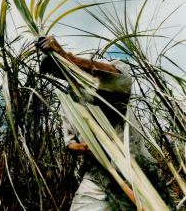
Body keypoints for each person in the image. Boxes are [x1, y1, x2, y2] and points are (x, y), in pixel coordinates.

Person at [36, 36, 173, 210]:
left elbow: (121, 79)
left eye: (56, 66)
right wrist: (83, 147)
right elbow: (69, 141)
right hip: (98, 174)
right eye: (52, 71)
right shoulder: (68, 102)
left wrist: (69, 58)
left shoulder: (100, 77)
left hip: (135, 165)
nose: (56, 74)